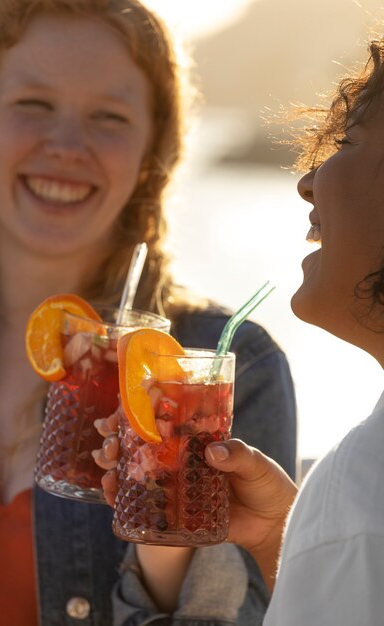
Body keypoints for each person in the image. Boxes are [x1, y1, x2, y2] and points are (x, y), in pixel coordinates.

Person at [0, 1, 297, 625]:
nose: (66, 144)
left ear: (153, 149)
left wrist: (164, 527)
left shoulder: (224, 368)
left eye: (108, 116)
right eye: (33, 104)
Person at [200, 29, 384, 625]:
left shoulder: (360, 494)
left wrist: (323, 535)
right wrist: (290, 538)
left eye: (349, 142)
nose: (308, 180)